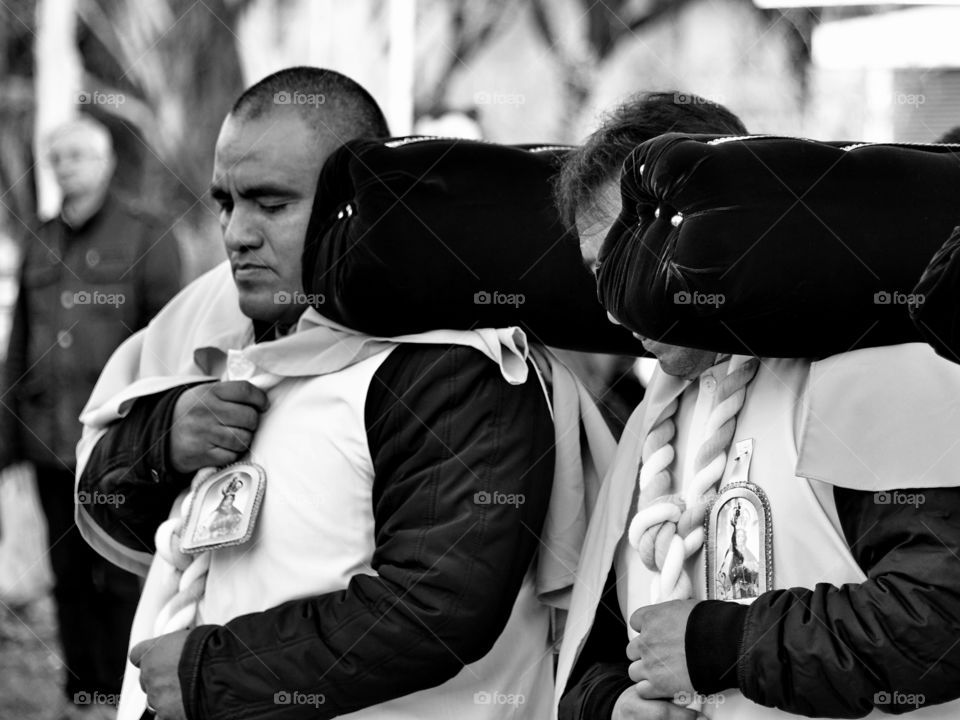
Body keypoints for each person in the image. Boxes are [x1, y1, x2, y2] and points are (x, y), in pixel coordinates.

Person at [75, 67, 563, 720]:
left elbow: (435, 607)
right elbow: (107, 497)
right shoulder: (216, 320)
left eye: (271, 204)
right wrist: (162, 440)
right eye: (226, 203)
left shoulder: (457, 366)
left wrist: (210, 675)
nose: (237, 233)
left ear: (356, 202)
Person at [554, 92, 960, 719]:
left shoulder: (874, 369)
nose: (615, 307)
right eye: (598, 273)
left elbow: (938, 620)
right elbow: (593, 647)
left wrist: (723, 645)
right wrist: (610, 705)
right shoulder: (653, 413)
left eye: (633, 261)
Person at [0, 115, 182, 720]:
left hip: (118, 445)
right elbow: (19, 344)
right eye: (56, 157)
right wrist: (8, 438)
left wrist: (159, 436)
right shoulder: (40, 236)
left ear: (106, 163)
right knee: (68, 576)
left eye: (78, 155)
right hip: (49, 441)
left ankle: (126, 699)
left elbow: (170, 342)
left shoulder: (147, 233)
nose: (65, 167)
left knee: (122, 574)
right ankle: (81, 697)